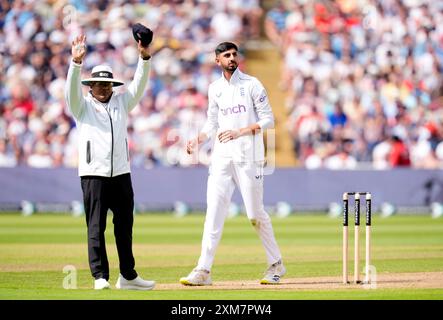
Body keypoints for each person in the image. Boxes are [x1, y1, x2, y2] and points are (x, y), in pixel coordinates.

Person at [180, 42, 286, 286]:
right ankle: (203, 270)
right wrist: (198, 138)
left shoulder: (252, 84)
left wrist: (241, 131)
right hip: (222, 157)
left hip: (249, 155)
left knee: (254, 214)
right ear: (217, 60)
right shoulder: (214, 88)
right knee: (213, 213)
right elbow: (211, 123)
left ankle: (276, 264)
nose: (231, 58)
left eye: (233, 54)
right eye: (226, 55)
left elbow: (268, 119)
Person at [65, 34, 155, 290]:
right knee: (96, 226)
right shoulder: (81, 107)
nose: (103, 89)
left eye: (107, 85)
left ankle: (127, 276)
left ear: (112, 87)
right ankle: (99, 276)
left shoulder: (122, 102)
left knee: (124, 227)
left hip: (121, 174)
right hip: (94, 174)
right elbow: (71, 91)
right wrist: (75, 63)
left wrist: (144, 57)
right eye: (98, 85)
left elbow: (139, 84)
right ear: (90, 86)